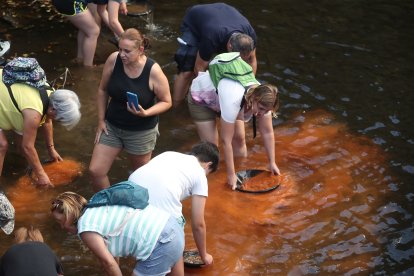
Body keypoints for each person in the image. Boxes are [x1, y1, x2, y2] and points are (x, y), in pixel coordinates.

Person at [89, 28, 172, 191]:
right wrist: (100, 120)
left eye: (127, 51)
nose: (121, 54)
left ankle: (137, 212)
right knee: (96, 171)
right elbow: (102, 90)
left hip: (140, 131)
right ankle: (109, 205)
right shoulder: (113, 60)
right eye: (119, 49)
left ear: (140, 50)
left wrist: (146, 113)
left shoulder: (153, 71)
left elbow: (167, 101)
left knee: (140, 177)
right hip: (112, 125)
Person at [128, 141, 219, 273]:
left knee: (153, 247)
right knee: (175, 238)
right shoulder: (200, 174)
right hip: (156, 218)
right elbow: (198, 224)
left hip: (127, 199)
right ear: (208, 164)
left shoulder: (169, 154)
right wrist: (204, 255)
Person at [188, 64, 281, 190]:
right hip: (202, 97)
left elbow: (267, 133)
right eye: (261, 109)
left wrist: (272, 162)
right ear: (254, 98)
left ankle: (240, 172)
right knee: (212, 149)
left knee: (239, 138)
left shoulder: (266, 100)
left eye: (267, 111)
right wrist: (230, 174)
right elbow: (226, 141)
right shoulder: (234, 99)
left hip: (225, 99)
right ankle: (205, 185)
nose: (262, 114)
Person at [51, 191, 184, 276]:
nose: (62, 227)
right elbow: (112, 255)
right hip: (171, 225)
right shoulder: (96, 205)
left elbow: (109, 263)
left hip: (161, 241)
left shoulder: (86, 229)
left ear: (70, 215)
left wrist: (112, 269)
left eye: (60, 221)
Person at [0, 69, 82, 186]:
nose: (57, 121)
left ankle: (19, 168)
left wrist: (51, 149)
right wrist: (41, 174)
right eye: (58, 119)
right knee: (2, 145)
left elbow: (47, 121)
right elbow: (28, 146)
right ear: (53, 109)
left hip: (6, 93)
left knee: (23, 149)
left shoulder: (51, 94)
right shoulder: (34, 113)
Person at [173, 3, 257, 107]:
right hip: (195, 21)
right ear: (230, 46)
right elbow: (199, 68)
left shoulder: (250, 36)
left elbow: (252, 62)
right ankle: (176, 107)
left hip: (222, 15)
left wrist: (249, 89)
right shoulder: (211, 37)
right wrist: (213, 93)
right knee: (187, 72)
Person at [51, 0, 100, 66]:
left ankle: (80, 58)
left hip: (64, 2)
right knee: (93, 32)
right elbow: (105, 14)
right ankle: (88, 67)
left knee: (85, 27)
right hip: (71, 3)